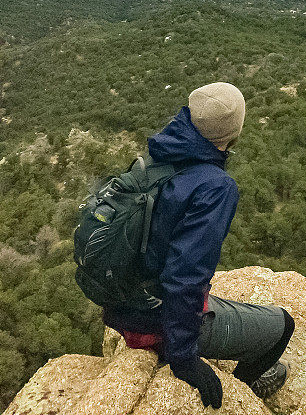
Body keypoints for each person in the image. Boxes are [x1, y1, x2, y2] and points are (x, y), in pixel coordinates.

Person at [102, 82, 295, 409]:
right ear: (233, 133)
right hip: (156, 320)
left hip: (123, 304)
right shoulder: (215, 187)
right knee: (282, 326)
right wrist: (183, 357)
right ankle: (246, 387)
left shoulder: (159, 155)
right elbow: (185, 278)